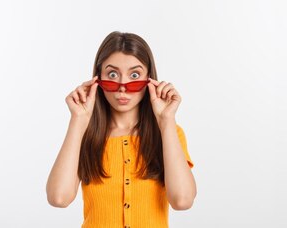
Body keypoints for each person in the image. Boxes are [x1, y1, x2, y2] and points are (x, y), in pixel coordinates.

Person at [46, 31, 196, 228]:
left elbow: (182, 200)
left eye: (134, 75)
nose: (122, 87)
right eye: (112, 74)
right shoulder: (85, 134)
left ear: (149, 79)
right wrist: (78, 120)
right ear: (97, 78)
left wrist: (166, 120)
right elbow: (58, 198)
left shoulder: (169, 133)